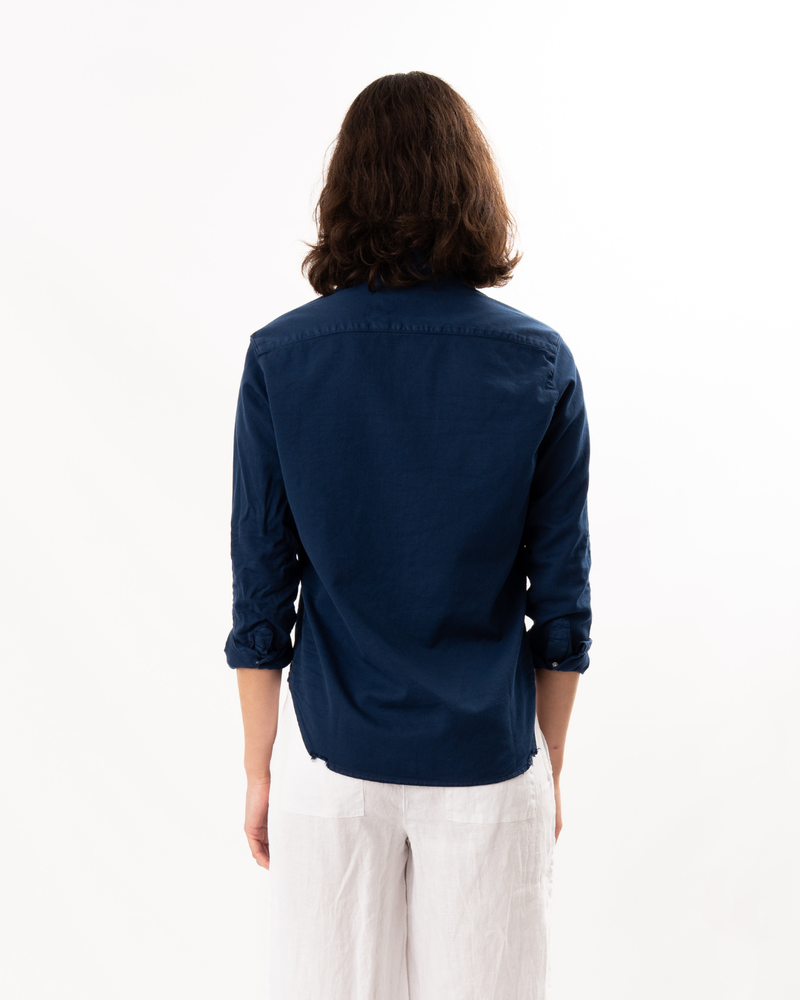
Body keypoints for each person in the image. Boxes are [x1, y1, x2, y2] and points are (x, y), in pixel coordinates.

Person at [224, 71, 593, 1000]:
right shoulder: (539, 362)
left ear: (344, 190)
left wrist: (259, 765)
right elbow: (563, 604)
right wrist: (548, 766)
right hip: (488, 757)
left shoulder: (281, 358)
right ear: (473, 190)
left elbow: (261, 588)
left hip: (328, 758)